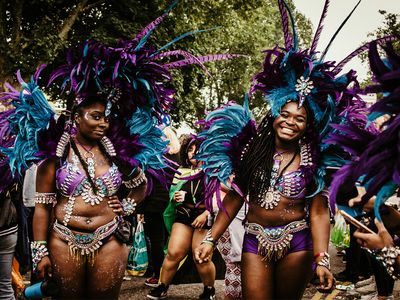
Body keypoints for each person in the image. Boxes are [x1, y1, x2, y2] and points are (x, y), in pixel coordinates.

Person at [193, 1, 378, 298]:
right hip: (255, 239)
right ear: (275, 113)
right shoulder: (251, 149)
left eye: (300, 118)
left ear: (308, 124)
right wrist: (210, 239)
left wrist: (323, 259)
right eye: (285, 114)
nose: (291, 122)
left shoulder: (314, 157)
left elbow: (318, 211)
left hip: (297, 242)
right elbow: (235, 197)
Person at [147, 135, 216, 300]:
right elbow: (172, 196)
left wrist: (206, 214)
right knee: (173, 252)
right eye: (190, 150)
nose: (193, 153)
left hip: (205, 219)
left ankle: (209, 289)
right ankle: (162, 286)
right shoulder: (180, 172)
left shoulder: (215, 172)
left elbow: (220, 198)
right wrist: (176, 197)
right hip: (184, 216)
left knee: (200, 256)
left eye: (197, 150)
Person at [140, 126, 181, 287]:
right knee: (171, 239)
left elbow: (146, 184)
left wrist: (140, 208)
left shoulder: (154, 157)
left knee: (156, 240)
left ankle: (158, 275)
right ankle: (171, 274)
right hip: (173, 202)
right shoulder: (177, 157)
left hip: (154, 203)